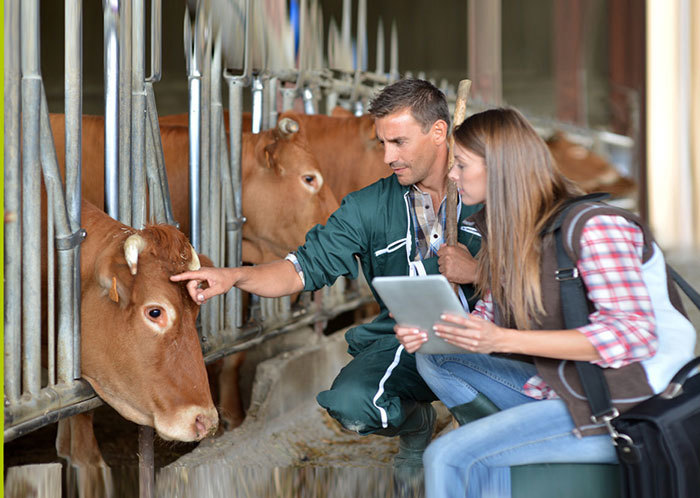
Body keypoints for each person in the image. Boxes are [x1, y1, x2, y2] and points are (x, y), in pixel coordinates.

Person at [171, 79, 484, 468]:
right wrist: (234, 277)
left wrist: (479, 271)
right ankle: (416, 422)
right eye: (381, 143)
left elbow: (538, 272)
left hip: (492, 336)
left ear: (439, 132)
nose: (387, 156)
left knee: (493, 418)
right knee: (351, 404)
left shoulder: (487, 191)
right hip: (410, 340)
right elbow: (299, 270)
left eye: (398, 142)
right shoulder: (368, 206)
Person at [394, 107, 696, 497]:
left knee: (447, 457)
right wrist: (434, 329)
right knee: (436, 357)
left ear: (500, 169)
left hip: (631, 405)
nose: (451, 175)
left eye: (462, 165)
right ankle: (504, 446)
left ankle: (495, 449)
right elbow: (489, 320)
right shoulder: (512, 236)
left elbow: (632, 334)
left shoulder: (595, 227)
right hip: (567, 385)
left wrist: (500, 340)